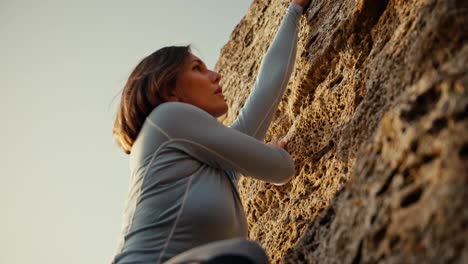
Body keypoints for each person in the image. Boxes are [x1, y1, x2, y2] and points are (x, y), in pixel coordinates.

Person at [111, 0, 310, 263]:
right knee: (244, 254)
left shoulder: (209, 162)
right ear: (168, 89)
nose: (216, 75)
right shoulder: (168, 118)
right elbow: (280, 167)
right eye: (197, 69)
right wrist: (272, 154)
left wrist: (294, 11)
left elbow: (266, 92)